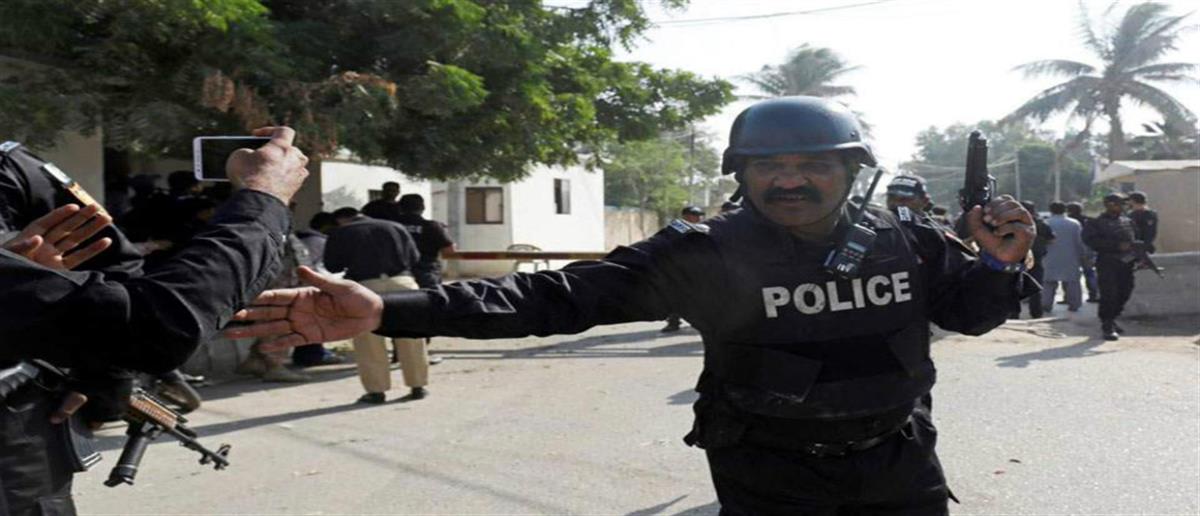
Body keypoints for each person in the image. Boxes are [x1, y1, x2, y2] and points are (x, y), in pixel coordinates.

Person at [229, 97, 1036, 513]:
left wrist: (1000, 266)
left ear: (851, 171)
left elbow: (969, 316)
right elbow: (551, 297)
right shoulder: (704, 254)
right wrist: (388, 313)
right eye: (768, 166)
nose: (789, 179)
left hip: (899, 464)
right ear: (742, 175)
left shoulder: (907, 240)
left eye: (812, 164)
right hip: (771, 474)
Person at [0, 126, 308, 516]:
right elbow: (160, 323)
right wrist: (265, 197)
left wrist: (101, 374)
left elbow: (112, 261)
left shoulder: (11, 167)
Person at [323, 207, 427, 404]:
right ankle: (418, 386)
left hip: (365, 286)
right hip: (403, 282)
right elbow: (414, 258)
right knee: (411, 335)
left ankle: (376, 391)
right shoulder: (395, 227)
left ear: (340, 220)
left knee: (369, 340)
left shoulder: (342, 232)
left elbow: (333, 266)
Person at [290, 212, 345, 368]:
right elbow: (322, 268)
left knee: (302, 323)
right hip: (311, 288)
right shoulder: (320, 242)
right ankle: (313, 355)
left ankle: (306, 354)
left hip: (295, 287)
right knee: (314, 323)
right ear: (327, 226)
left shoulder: (301, 238)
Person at [1082, 193, 1138, 341]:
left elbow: (1135, 239)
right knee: (1109, 294)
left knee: (1125, 291)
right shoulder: (1095, 222)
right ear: (1110, 205)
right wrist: (1116, 245)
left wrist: (1139, 255)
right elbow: (1090, 241)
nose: (1124, 207)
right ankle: (1107, 324)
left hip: (1126, 263)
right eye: (1121, 204)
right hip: (1107, 262)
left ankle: (1113, 317)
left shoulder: (1127, 221)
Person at [394, 194, 455, 290]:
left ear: (400, 208)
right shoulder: (432, 226)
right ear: (422, 208)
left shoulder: (390, 227)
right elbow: (449, 251)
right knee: (431, 297)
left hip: (397, 275)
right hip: (426, 273)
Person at [662, 206, 707, 333]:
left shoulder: (702, 227)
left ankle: (701, 322)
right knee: (676, 295)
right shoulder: (677, 226)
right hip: (679, 266)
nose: (698, 218)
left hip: (697, 267)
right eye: (695, 215)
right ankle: (673, 322)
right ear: (686, 216)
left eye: (700, 215)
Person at [1041, 201, 1088, 313]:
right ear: (1065, 210)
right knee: (1072, 282)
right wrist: (1083, 256)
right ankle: (1074, 304)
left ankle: (1046, 304)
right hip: (1070, 257)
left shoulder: (1045, 223)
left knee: (1048, 282)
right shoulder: (1074, 223)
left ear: (1051, 210)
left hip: (1049, 257)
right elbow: (1079, 242)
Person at [1018, 200, 1054, 318]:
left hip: (1016, 257)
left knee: (1014, 285)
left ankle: (1013, 313)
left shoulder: (1013, 223)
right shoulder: (1040, 224)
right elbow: (1052, 239)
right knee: (1035, 286)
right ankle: (1036, 313)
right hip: (1036, 258)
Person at [1066, 202, 1101, 303]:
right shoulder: (1089, 220)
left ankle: (1068, 297)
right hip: (1087, 249)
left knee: (1069, 275)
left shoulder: (1068, 221)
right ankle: (1094, 294)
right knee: (1089, 273)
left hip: (1071, 250)